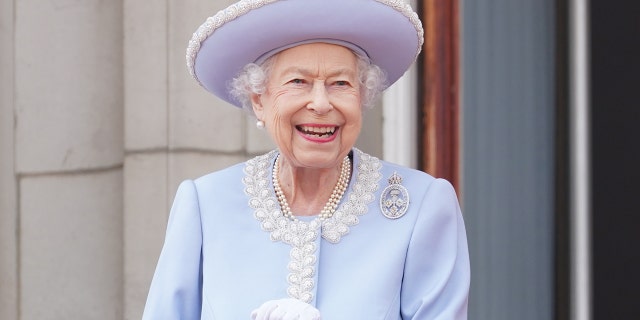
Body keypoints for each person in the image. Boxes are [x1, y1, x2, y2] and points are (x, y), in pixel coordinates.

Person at [142, 0, 470, 319]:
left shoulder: (421, 207)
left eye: (340, 83)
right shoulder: (205, 204)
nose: (321, 103)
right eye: (298, 82)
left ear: (362, 96)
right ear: (259, 100)